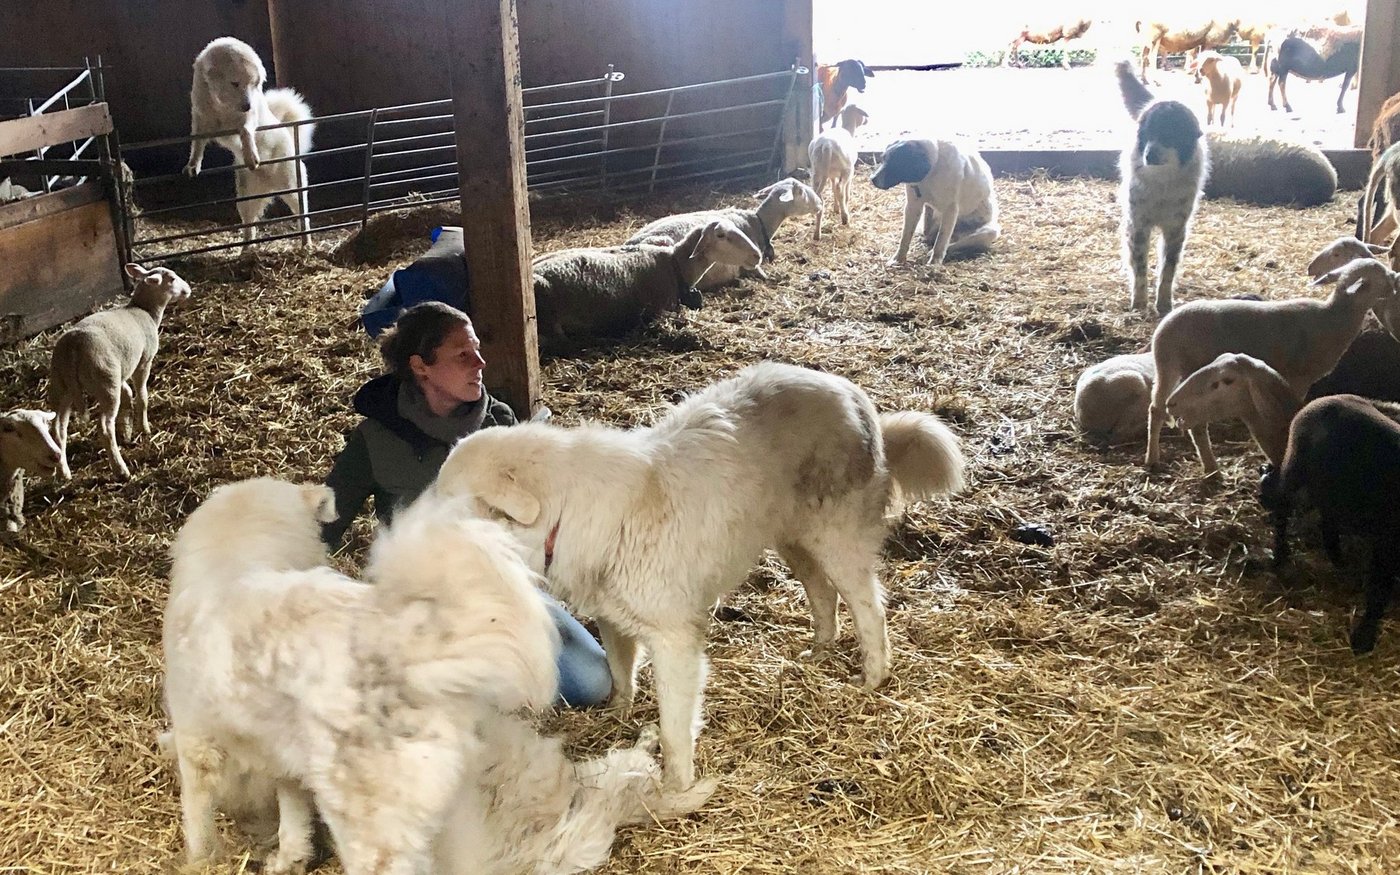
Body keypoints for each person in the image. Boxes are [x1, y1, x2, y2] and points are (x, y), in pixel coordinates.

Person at [323, 301, 611, 708]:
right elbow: (326, 523)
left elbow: (541, 507)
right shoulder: (375, 438)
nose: (480, 363)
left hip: (505, 591)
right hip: (421, 600)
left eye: (477, 350)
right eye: (463, 355)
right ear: (421, 366)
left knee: (591, 683)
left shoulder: (499, 422)